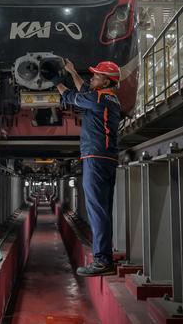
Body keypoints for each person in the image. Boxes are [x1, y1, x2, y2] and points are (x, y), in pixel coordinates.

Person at [53, 59, 121, 276]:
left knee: (97, 210)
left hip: (95, 158)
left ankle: (102, 261)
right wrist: (73, 71)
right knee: (103, 209)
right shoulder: (109, 98)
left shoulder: (98, 98)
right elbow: (84, 88)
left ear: (106, 81)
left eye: (97, 75)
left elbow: (72, 96)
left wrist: (56, 81)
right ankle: (105, 256)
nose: (92, 78)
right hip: (107, 158)